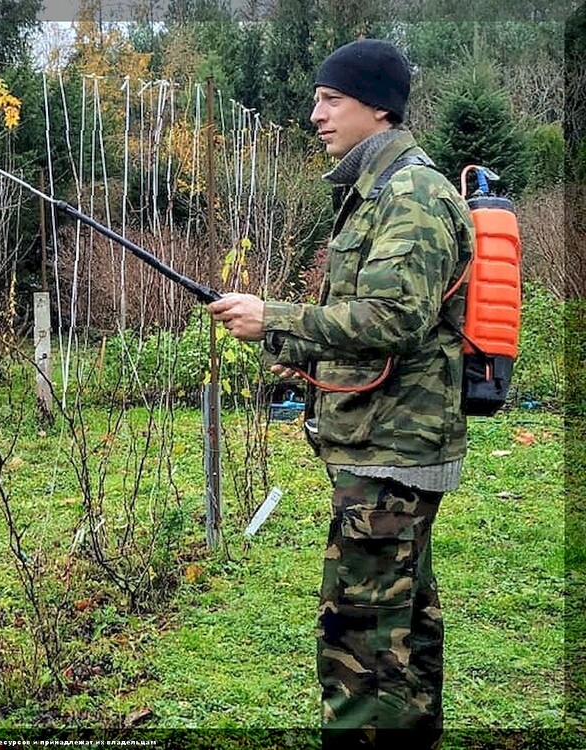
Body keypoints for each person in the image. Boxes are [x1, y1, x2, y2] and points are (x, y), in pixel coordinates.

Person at [207, 39, 475, 749]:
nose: (316, 113)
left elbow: (394, 318)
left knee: (359, 643)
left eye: (331, 99)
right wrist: (268, 329)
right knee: (402, 630)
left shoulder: (411, 195)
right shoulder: (376, 191)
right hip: (385, 446)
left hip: (395, 452)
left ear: (378, 105)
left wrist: (278, 316)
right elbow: (362, 326)